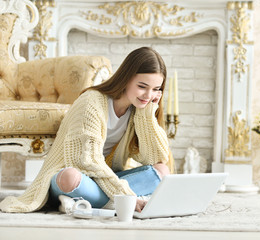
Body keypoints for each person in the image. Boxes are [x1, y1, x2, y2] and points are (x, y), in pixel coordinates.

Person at [0, 47, 174, 213]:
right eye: (142, 87)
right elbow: (86, 162)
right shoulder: (92, 102)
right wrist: (126, 195)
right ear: (126, 78)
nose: (149, 95)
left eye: (156, 89)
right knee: (70, 177)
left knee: (161, 171)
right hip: (80, 175)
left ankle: (90, 201)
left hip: (108, 178)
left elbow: (153, 158)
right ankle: (118, 201)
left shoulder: (139, 109)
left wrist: (147, 115)